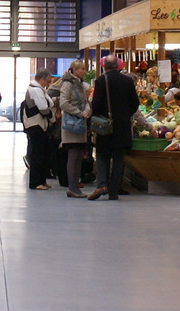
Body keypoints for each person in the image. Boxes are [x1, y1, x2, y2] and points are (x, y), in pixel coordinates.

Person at [87, 55, 140, 201]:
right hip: (122, 126)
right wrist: (123, 115)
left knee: (102, 155)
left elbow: (96, 105)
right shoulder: (128, 81)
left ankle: (102, 184)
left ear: (104, 66)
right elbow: (135, 104)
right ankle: (113, 190)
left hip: (105, 126)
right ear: (118, 66)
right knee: (118, 158)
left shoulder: (101, 81)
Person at [57, 60, 91, 198]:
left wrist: (88, 110)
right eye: (81, 69)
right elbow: (63, 103)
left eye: (84, 69)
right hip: (71, 125)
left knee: (79, 155)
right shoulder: (67, 84)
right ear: (74, 70)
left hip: (81, 124)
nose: (84, 71)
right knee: (73, 154)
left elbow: (86, 102)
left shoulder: (82, 85)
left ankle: (76, 186)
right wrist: (79, 112)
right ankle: (72, 186)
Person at [22, 70, 55, 190]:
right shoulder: (35, 90)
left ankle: (42, 180)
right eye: (47, 81)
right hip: (36, 125)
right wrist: (53, 118)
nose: (48, 83)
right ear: (41, 79)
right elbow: (43, 108)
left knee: (44, 153)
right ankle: (35, 182)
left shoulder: (38, 89)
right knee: (38, 154)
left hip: (40, 125)